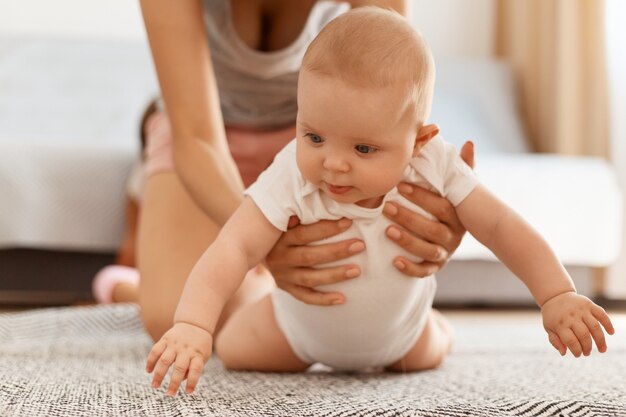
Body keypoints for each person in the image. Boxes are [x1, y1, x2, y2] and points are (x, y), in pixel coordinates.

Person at [145, 8, 615, 396]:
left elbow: (501, 226)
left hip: (401, 339)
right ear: (300, 121)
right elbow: (233, 247)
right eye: (314, 138)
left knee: (429, 351)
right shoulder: (293, 168)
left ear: (419, 142)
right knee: (234, 347)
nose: (334, 165)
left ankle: (436, 328)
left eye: (363, 149)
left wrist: (556, 294)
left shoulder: (433, 163)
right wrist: (194, 326)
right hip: (295, 334)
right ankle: (233, 305)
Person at [92, 0, 476, 342]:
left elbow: (395, 104)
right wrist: (259, 243)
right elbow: (197, 137)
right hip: (204, 135)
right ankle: (130, 287)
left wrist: (441, 209)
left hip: (319, 137)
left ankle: (264, 299)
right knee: (170, 316)